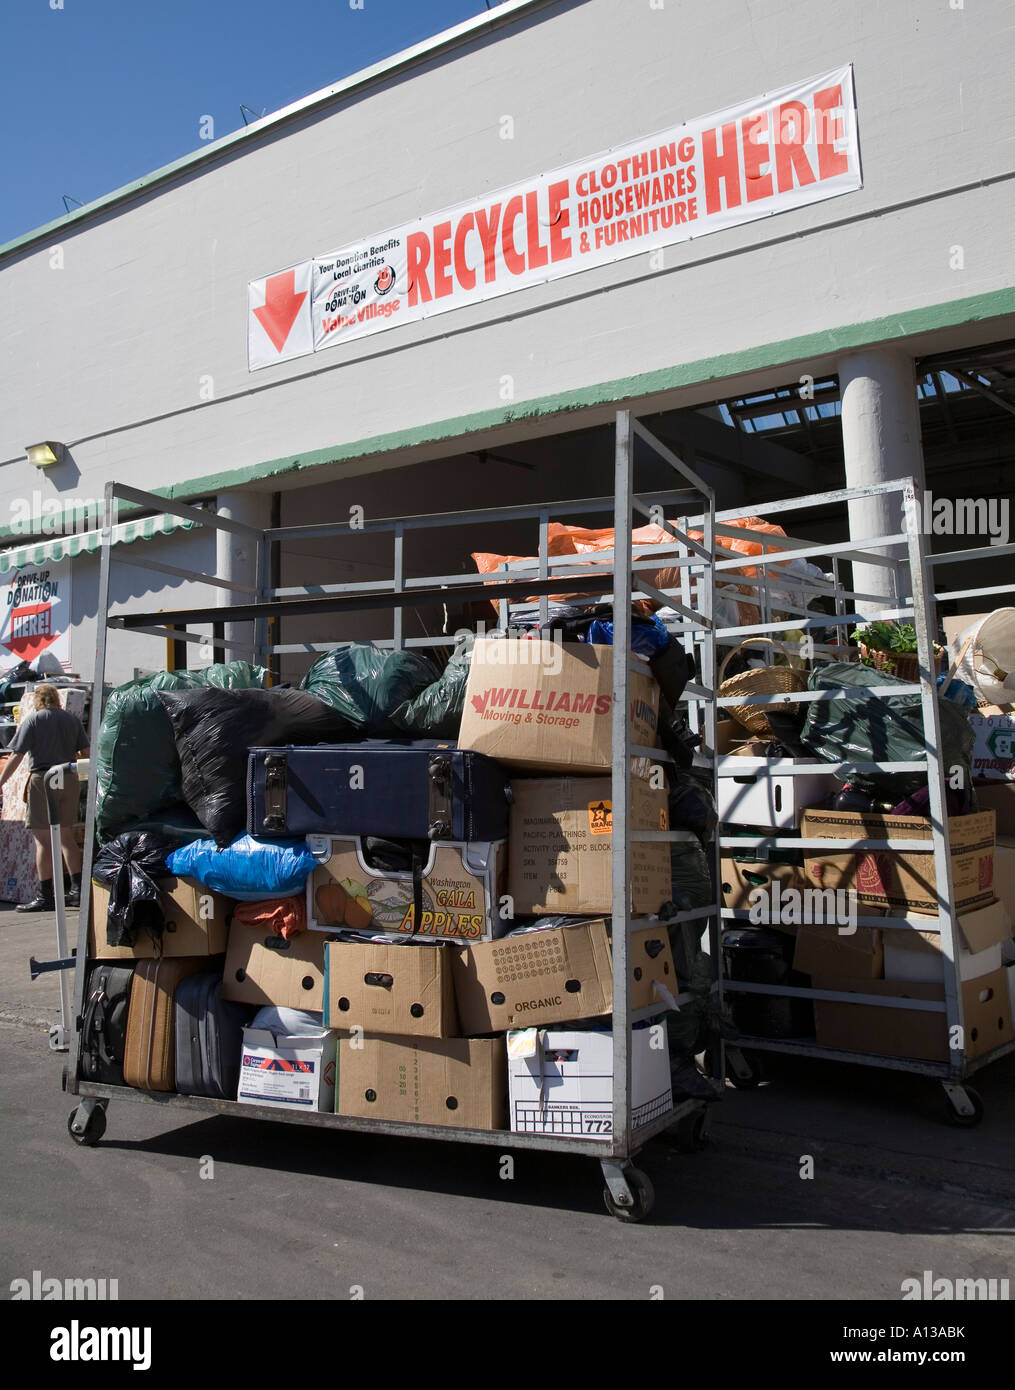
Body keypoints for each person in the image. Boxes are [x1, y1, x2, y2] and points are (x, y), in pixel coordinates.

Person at [0, 684, 89, 911]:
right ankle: (77, 891)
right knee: (66, 837)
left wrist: (1, 781)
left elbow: (16, 755)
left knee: (43, 841)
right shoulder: (72, 720)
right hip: (68, 777)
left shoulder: (33, 720)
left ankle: (45, 896)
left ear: (38, 700)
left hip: (44, 778)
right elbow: (86, 754)